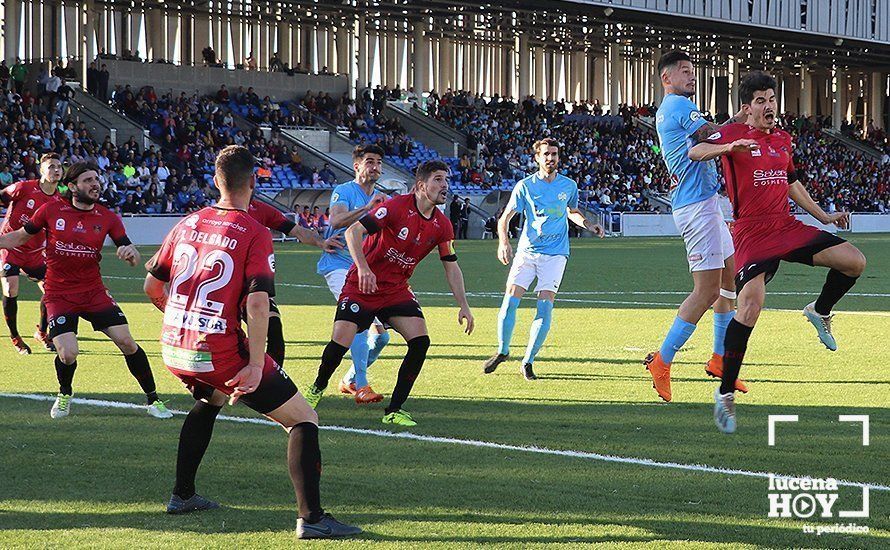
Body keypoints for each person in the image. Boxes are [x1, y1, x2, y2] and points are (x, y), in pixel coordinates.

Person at [143, 146, 360, 538]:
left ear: (215, 180)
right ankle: (311, 520)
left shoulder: (187, 222)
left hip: (175, 346)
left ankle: (183, 495)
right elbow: (259, 304)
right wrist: (256, 364)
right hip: (218, 352)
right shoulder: (253, 231)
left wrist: (183, 321)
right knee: (303, 418)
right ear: (254, 183)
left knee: (210, 399)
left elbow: (152, 285)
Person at [689, 71, 866, 433]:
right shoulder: (733, 134)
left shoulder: (783, 139)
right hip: (752, 232)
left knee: (854, 262)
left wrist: (825, 217)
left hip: (785, 226)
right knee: (751, 308)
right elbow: (695, 150)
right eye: (760, 101)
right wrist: (727, 148)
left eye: (771, 99)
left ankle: (820, 311)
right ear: (746, 108)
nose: (769, 106)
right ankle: (725, 394)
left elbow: (792, 183)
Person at [305, 160, 474, 426]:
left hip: (396, 291)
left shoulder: (443, 225)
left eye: (447, 181)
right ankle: (316, 389)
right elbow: (353, 232)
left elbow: (451, 266)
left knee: (420, 342)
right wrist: (362, 268)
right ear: (421, 185)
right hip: (362, 287)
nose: (445, 186)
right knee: (339, 344)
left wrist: (463, 304)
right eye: (439, 180)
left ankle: (394, 410)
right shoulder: (396, 207)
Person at [0, 162, 172, 420]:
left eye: (96, 179)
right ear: (72, 186)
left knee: (126, 341)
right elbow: (20, 237)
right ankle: (65, 394)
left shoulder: (107, 217)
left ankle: (154, 399)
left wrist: (131, 254)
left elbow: (131, 253)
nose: (95, 184)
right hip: (59, 294)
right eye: (88, 180)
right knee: (68, 353)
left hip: (93, 292)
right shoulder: (50, 210)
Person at [644, 50, 748, 403]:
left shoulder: (676, 109)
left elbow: (712, 134)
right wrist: (738, 128)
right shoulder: (676, 106)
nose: (692, 76)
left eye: (693, 71)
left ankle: (719, 358)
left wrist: (735, 121)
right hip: (695, 207)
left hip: (705, 204)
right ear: (667, 79)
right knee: (705, 292)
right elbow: (711, 137)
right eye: (685, 71)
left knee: (730, 277)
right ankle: (662, 360)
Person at [482, 138, 604, 380]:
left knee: (545, 304)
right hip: (527, 252)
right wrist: (503, 243)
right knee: (510, 301)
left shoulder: (568, 185)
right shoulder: (525, 186)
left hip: (556, 254)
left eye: (555, 154)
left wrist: (589, 224)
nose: (551, 158)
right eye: (546, 154)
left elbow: (572, 212)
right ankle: (503, 351)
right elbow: (505, 218)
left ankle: (528, 361)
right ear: (537, 157)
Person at [315, 145, 391, 404]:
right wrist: (369, 207)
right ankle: (362, 385)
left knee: (382, 337)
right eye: (370, 161)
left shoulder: (383, 199)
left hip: (365, 270)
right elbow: (336, 222)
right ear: (357, 166)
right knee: (358, 321)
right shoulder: (344, 191)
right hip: (338, 266)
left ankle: (349, 380)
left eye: (379, 162)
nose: (375, 167)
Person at [247, 198, 343, 367]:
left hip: (255, 288)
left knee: (275, 331)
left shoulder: (260, 210)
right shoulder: (216, 216)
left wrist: (321, 242)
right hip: (226, 291)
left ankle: (270, 386)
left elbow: (297, 231)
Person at [0, 153, 62, 354]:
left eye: (59, 167)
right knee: (10, 288)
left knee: (52, 291)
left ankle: (42, 332)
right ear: (42, 170)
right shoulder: (24, 187)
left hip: (35, 253)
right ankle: (15, 337)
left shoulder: (59, 200)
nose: (56, 170)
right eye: (51, 166)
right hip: (10, 247)